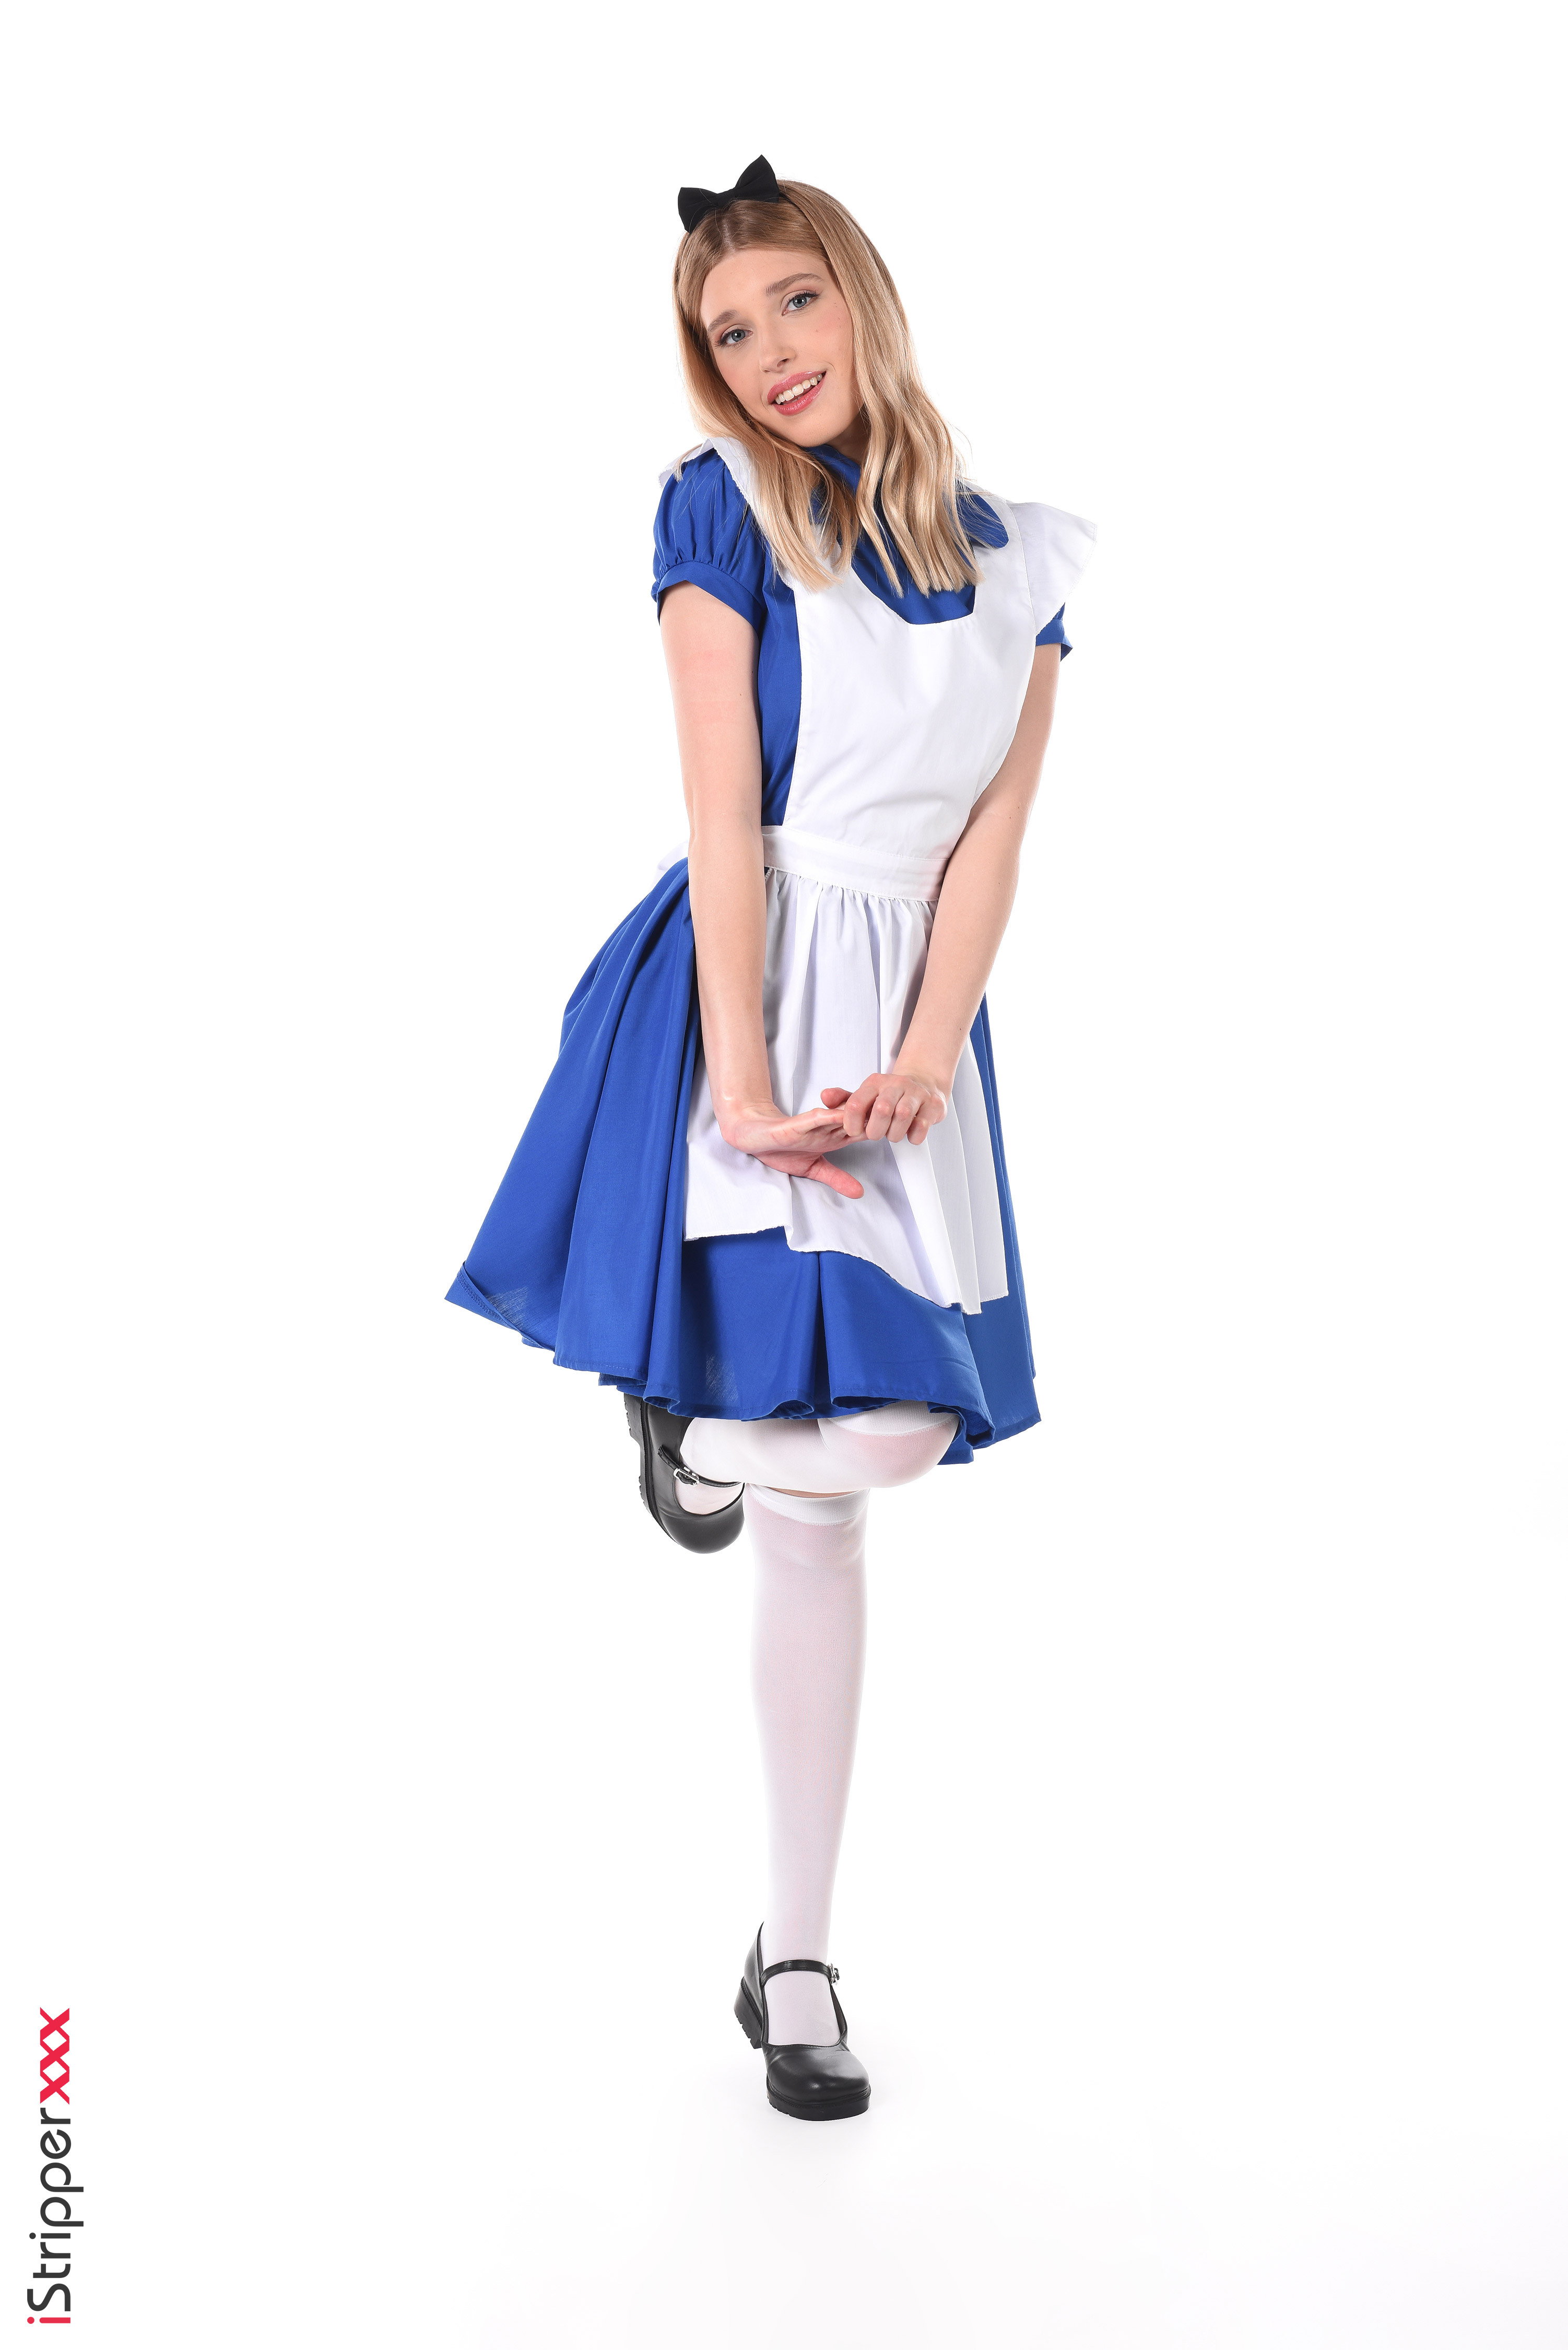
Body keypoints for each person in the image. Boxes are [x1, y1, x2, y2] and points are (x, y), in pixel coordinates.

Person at [447, 158, 1094, 2121]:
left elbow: (991, 842)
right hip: (747, 986)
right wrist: (738, 1084)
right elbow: (720, 808)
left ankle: (788, 1944)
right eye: (728, 332)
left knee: (862, 1472)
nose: (767, 354)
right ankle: (692, 1437)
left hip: (907, 1034)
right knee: (842, 1459)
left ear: (861, 294)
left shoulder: (1024, 559)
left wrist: (929, 1052)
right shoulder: (717, 509)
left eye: (792, 303)